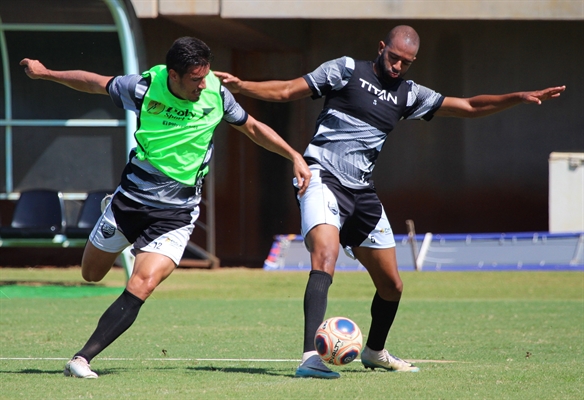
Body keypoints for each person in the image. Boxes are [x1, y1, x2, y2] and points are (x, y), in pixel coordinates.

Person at [215, 25, 566, 379]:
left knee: (392, 285)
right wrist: (242, 87)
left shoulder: (408, 94)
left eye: (406, 63)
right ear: (382, 47)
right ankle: (310, 357)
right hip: (321, 175)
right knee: (325, 255)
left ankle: (375, 351)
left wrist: (517, 97)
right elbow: (288, 89)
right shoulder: (345, 69)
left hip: (362, 192)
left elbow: (469, 106)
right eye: (394, 57)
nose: (398, 66)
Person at [20, 36, 311, 379]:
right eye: (195, 79)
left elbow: (250, 127)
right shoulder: (143, 88)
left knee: (143, 283)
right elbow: (94, 82)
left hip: (177, 213)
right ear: (173, 75)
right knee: (91, 274)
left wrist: (294, 155)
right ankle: (110, 219)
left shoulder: (216, 93)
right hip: (129, 201)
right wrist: (46, 73)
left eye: (206, 77)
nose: (204, 85)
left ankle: (81, 359)